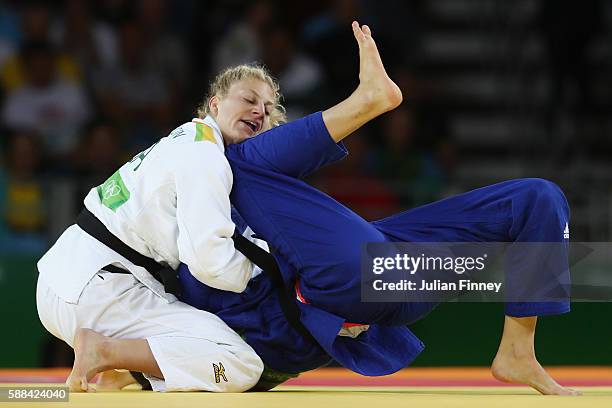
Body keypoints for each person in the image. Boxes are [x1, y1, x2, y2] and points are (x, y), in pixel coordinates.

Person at [67, 22, 578, 396]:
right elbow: (209, 278)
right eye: (247, 99)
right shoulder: (195, 171)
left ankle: (518, 349)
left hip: (375, 289)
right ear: (210, 108)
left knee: (537, 199)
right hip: (303, 313)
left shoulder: (244, 184)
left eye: (269, 111)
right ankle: (368, 101)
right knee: (237, 163)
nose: (259, 112)